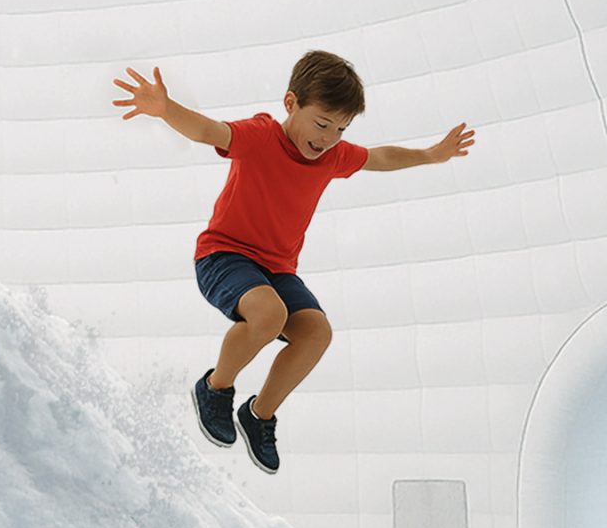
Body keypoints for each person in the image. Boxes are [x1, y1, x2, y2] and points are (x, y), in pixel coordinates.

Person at [112, 50, 475, 473]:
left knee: (316, 333)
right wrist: (165, 108)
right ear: (291, 104)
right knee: (268, 314)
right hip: (223, 255)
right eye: (321, 124)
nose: (328, 138)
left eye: (340, 129)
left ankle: (259, 414)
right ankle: (215, 388)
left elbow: (380, 158)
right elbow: (208, 130)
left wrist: (431, 155)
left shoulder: (334, 156)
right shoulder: (261, 136)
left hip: (277, 269)